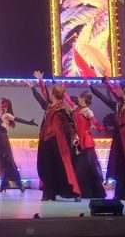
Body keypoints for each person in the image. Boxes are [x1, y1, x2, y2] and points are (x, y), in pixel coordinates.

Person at [89, 76, 125, 201]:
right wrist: (107, 82)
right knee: (119, 163)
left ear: (124, 89)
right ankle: (120, 193)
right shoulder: (121, 102)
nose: (117, 89)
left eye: (119, 88)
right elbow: (113, 91)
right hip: (120, 137)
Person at [30, 71, 81, 201]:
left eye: (51, 93)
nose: (49, 95)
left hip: (57, 140)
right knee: (46, 165)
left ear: (54, 94)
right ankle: (49, 193)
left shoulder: (62, 108)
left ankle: (72, 192)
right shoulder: (49, 106)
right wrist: (41, 81)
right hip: (45, 140)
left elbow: (71, 123)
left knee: (60, 166)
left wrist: (75, 137)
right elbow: (44, 93)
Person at [0, 86, 36, 193]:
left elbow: (17, 119)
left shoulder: (5, 115)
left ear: (2, 106)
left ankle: (19, 184)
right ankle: (4, 183)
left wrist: (29, 122)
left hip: (2, 140)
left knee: (7, 162)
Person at [70, 90, 107, 199]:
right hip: (78, 142)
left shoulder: (88, 111)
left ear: (83, 98)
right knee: (78, 167)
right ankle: (80, 191)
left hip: (86, 143)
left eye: (80, 97)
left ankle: (89, 192)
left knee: (86, 168)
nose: (78, 99)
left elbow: (95, 122)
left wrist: (100, 128)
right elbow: (68, 100)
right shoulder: (77, 109)